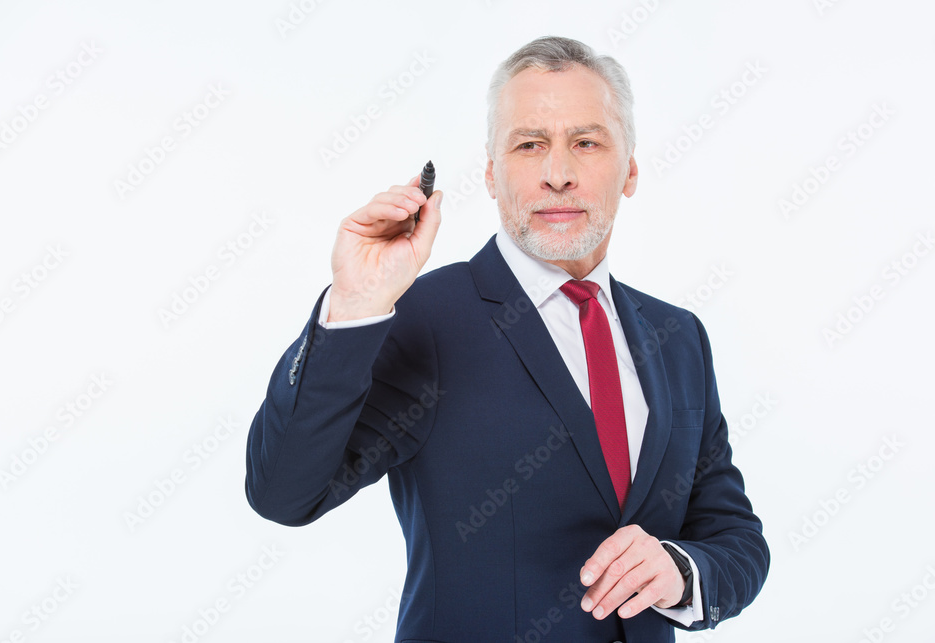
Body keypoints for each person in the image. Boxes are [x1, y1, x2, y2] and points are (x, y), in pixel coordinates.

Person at [244, 35, 769, 642]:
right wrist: (356, 307)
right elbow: (283, 492)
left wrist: (682, 571)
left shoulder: (678, 336)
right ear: (492, 175)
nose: (558, 174)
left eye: (587, 143)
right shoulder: (424, 316)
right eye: (530, 145)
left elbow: (733, 537)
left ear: (629, 170)